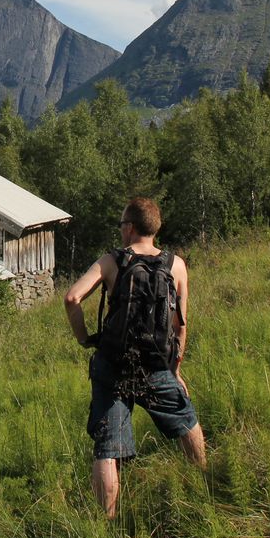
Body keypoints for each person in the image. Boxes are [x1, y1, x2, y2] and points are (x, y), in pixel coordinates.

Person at [64, 197, 206, 519]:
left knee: (107, 446)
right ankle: (204, 483)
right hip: (156, 365)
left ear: (129, 228)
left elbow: (72, 297)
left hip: (113, 365)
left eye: (121, 225)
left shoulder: (112, 261)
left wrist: (85, 338)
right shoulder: (177, 265)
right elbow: (180, 327)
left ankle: (107, 523)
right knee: (188, 423)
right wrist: (175, 370)